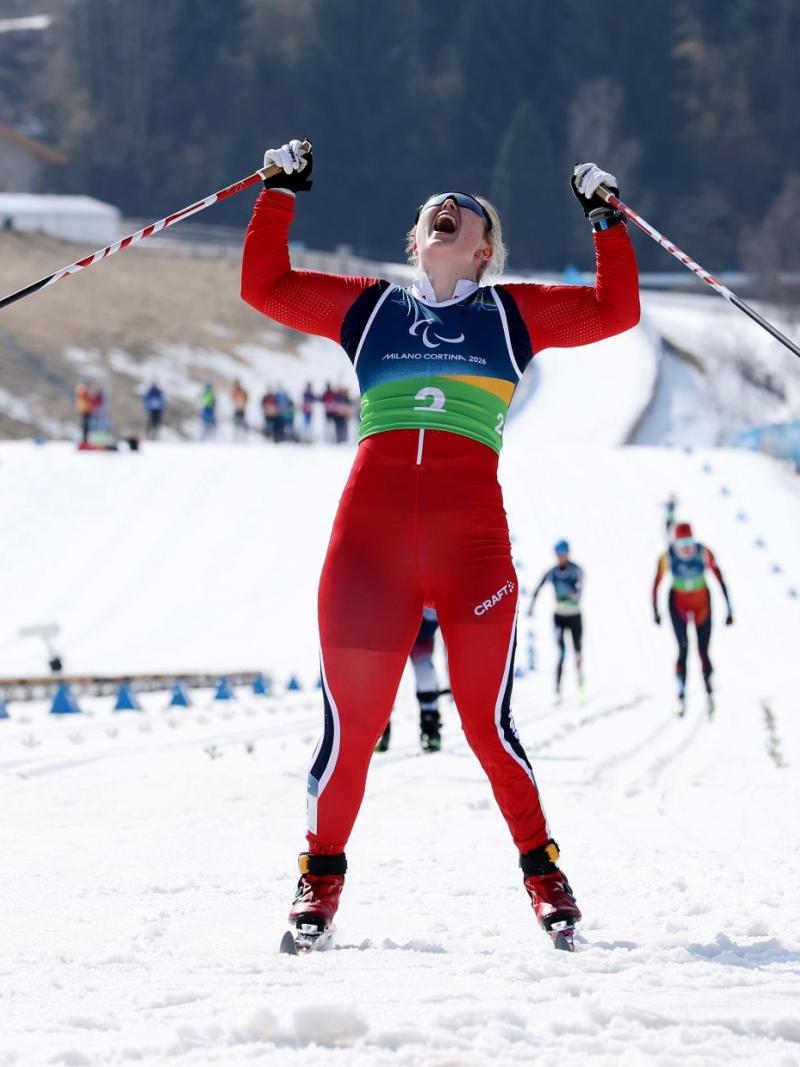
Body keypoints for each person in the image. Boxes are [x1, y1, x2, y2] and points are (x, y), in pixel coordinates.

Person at [241, 139, 639, 951]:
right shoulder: (371, 311)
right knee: (351, 727)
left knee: (489, 726)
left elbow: (616, 309)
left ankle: (543, 872)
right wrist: (279, 192)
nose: (447, 209)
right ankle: (318, 881)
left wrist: (607, 218)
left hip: (472, 554)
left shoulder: (510, 315)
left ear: (484, 249)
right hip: (368, 549)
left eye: (466, 214)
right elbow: (264, 286)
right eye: (434, 213)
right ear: (417, 240)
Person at [652, 521, 733, 715]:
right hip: (678, 606)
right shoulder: (668, 556)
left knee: (703, 650)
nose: (686, 547)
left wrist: (729, 608)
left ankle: (709, 692)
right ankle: (681, 695)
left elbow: (720, 577)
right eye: (681, 543)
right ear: (675, 543)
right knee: (683, 649)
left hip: (702, 605)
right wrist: (655, 610)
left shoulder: (703, 552)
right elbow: (656, 583)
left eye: (689, 541)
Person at [376, 608, 448, 754]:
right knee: (382, 673)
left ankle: (430, 725)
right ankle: (378, 729)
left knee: (423, 670)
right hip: (392, 615)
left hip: (419, 614)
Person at [527, 540, 584, 702]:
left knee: (577, 652)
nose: (561, 558)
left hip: (574, 616)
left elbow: (579, 593)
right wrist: (531, 606)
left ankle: (580, 686)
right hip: (559, 617)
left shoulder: (576, 570)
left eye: (563, 555)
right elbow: (539, 586)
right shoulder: (552, 572)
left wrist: (566, 596)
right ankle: (558, 690)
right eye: (559, 555)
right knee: (561, 653)